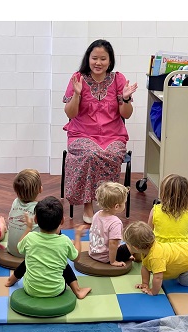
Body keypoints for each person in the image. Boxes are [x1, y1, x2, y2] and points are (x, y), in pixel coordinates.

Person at [62, 39, 138, 225]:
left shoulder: (118, 79)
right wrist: (77, 95)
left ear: (110, 61)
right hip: (81, 133)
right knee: (89, 154)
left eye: (103, 59)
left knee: (109, 154)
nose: (98, 62)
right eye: (94, 58)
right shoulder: (78, 78)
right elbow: (70, 113)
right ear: (88, 59)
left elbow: (125, 115)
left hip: (113, 134)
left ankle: (107, 203)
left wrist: (126, 99)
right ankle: (88, 203)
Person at [5, 196, 91, 300]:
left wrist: (28, 228)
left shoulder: (30, 238)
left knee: (29, 259)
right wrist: (77, 237)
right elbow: (76, 258)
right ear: (62, 221)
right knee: (63, 263)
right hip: (56, 290)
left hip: (30, 289)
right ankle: (77, 290)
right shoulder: (64, 241)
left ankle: (11, 280)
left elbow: (19, 248)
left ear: (35, 219)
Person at [122, 221, 188, 296]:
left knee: (184, 283)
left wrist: (153, 291)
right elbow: (145, 267)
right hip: (186, 248)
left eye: (127, 244)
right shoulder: (147, 248)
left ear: (136, 248)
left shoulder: (156, 257)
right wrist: (145, 283)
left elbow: (158, 277)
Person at [148, 174, 188, 252]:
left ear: (164, 194)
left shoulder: (155, 210)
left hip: (161, 247)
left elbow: (149, 231)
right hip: (184, 248)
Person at [88, 181, 133, 267]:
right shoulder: (115, 222)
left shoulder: (97, 214)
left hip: (94, 253)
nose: (125, 205)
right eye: (124, 203)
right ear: (116, 206)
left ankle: (126, 255)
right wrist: (113, 261)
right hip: (107, 257)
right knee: (135, 244)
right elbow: (113, 244)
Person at [5, 169, 42, 258]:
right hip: (29, 254)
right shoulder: (39, 208)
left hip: (11, 250)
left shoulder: (15, 202)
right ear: (40, 189)